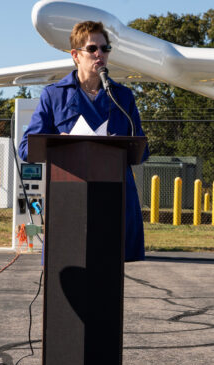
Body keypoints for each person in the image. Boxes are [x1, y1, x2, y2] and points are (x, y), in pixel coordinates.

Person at [18, 20, 149, 262]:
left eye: (105, 48)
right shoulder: (54, 95)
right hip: (70, 196)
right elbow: (26, 148)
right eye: (92, 49)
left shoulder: (122, 96)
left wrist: (120, 145)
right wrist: (57, 142)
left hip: (114, 198)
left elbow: (142, 150)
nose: (100, 54)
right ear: (76, 55)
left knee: (107, 278)